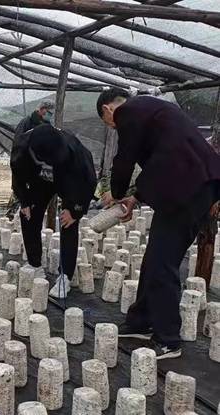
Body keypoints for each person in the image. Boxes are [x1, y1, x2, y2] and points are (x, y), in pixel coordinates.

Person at [96, 87, 220, 359]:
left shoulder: (128, 111)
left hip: (189, 191)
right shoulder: (151, 110)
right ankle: (141, 321)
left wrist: (116, 193)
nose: (115, 128)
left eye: (110, 125)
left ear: (108, 109)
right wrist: (135, 197)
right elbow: (164, 159)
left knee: (163, 262)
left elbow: (124, 159)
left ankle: (168, 339)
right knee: (154, 258)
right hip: (190, 187)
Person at [11, 124, 97, 298]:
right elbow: (17, 175)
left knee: (67, 221)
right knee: (28, 215)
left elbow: (88, 182)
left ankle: (65, 276)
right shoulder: (21, 147)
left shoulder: (75, 151)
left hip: (68, 182)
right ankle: (35, 264)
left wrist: (75, 211)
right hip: (40, 181)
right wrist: (24, 200)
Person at [6, 100, 55, 218]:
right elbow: (18, 145)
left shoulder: (47, 126)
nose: (50, 115)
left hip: (39, 170)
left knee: (35, 203)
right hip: (25, 167)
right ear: (42, 109)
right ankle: (11, 217)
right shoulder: (26, 123)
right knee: (20, 195)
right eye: (49, 112)